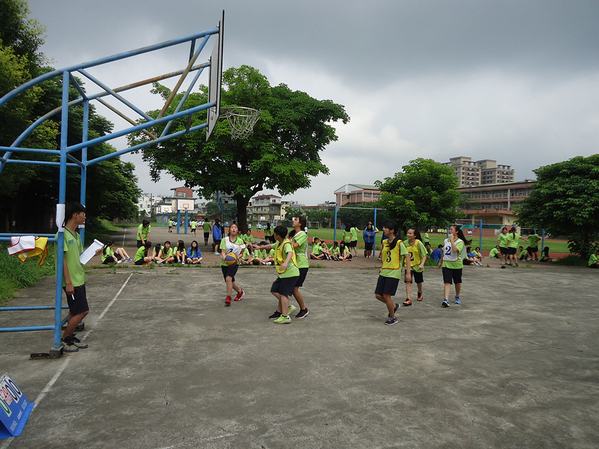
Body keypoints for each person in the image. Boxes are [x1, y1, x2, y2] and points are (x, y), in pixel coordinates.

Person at [57, 203, 102, 351]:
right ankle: (65, 338)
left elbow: (79, 257)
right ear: (75, 215)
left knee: (74, 310)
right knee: (83, 311)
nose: (85, 217)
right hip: (72, 280)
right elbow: (62, 259)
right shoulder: (62, 234)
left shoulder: (76, 235)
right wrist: (68, 282)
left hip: (79, 277)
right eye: (83, 214)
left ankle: (70, 337)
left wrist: (93, 254)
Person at [375, 222, 411, 325]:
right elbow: (385, 257)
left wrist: (408, 273)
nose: (384, 229)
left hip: (394, 272)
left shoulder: (400, 243)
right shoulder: (385, 242)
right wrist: (382, 266)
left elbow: (407, 257)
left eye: (386, 228)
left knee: (387, 296)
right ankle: (394, 306)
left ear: (392, 230)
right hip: (384, 271)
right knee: (378, 295)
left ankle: (393, 317)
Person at [268, 225, 300, 324]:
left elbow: (290, 253)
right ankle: (288, 306)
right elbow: (270, 246)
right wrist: (258, 247)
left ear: (277, 235)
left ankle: (285, 316)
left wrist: (286, 263)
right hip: (283, 274)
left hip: (290, 273)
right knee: (274, 290)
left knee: (283, 294)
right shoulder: (279, 243)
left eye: (274, 233)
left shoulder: (286, 244)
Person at [438, 225, 470, 307]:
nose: (450, 231)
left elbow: (455, 250)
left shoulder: (460, 242)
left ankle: (457, 295)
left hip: (456, 265)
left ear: (456, 231)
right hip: (446, 264)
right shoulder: (445, 240)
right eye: (449, 229)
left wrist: (452, 240)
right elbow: (445, 252)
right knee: (447, 282)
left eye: (452, 229)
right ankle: (446, 300)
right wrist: (441, 261)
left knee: (457, 282)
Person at [220, 223, 246, 306]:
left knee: (228, 279)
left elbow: (242, 253)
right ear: (229, 230)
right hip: (225, 263)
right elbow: (223, 252)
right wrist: (226, 258)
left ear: (238, 230)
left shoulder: (240, 241)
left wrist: (237, 257)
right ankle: (240, 292)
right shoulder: (225, 240)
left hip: (235, 263)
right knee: (230, 281)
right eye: (232, 227)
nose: (234, 229)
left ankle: (228, 297)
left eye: (235, 228)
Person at [403, 228, 428, 306]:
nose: (408, 235)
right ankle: (408, 298)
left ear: (415, 235)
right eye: (408, 233)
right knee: (408, 281)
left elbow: (425, 254)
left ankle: (419, 291)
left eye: (410, 233)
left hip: (417, 265)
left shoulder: (418, 243)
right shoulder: (404, 243)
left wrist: (422, 264)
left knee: (418, 281)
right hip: (408, 266)